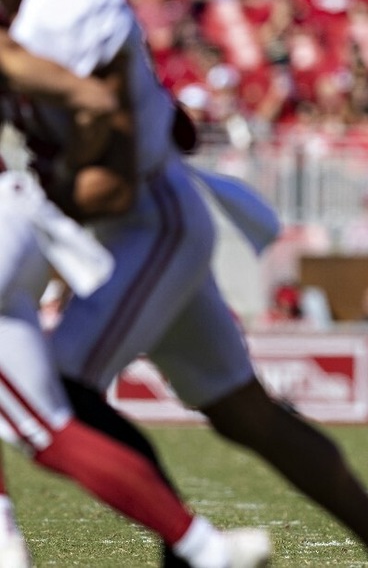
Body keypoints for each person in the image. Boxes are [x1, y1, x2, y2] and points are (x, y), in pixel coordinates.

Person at [0, 0, 368, 567]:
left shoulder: (64, 8)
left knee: (59, 394)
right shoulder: (22, 35)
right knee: (245, 413)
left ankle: (188, 545)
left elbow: (112, 181)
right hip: (124, 229)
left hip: (144, 224)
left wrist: (41, 206)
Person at [0, 53, 269, 566]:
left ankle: (203, 549)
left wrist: (93, 100)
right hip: (19, 212)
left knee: (47, 432)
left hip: (51, 219)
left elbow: (76, 90)